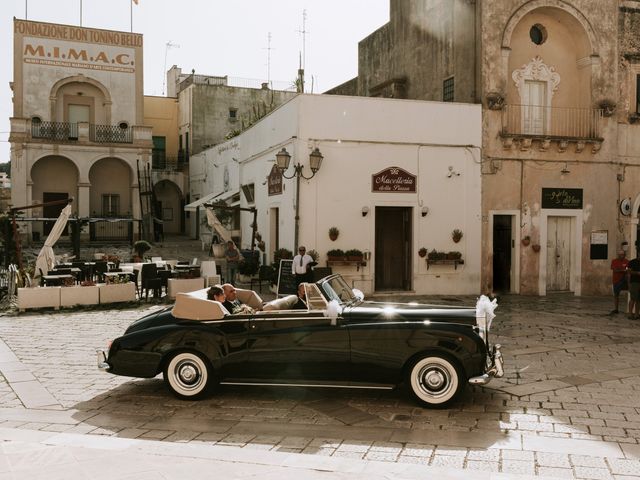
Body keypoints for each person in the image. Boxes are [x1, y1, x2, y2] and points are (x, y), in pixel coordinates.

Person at [611, 249, 629, 314]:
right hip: (616, 280)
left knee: (629, 294)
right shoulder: (614, 261)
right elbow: (615, 270)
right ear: (618, 255)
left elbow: (627, 270)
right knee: (616, 295)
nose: (622, 256)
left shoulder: (627, 261)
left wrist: (621, 270)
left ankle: (629, 309)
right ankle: (616, 309)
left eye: (623, 254)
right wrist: (623, 270)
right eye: (620, 254)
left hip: (625, 280)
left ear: (625, 255)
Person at [628, 254, 640, 319]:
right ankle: (630, 313)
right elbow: (629, 271)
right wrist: (637, 273)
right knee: (633, 298)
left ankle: (637, 314)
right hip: (634, 282)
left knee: (639, 299)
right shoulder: (632, 262)